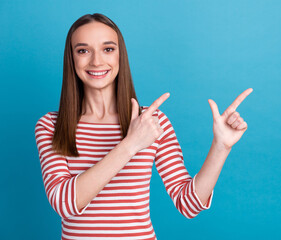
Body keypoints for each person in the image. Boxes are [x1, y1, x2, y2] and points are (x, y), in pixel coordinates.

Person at [34, 13, 253, 240]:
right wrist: (130, 145)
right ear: (71, 59)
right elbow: (63, 203)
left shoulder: (152, 122)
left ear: (121, 56)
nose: (96, 61)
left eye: (108, 49)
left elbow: (188, 204)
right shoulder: (51, 126)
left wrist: (221, 147)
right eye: (83, 50)